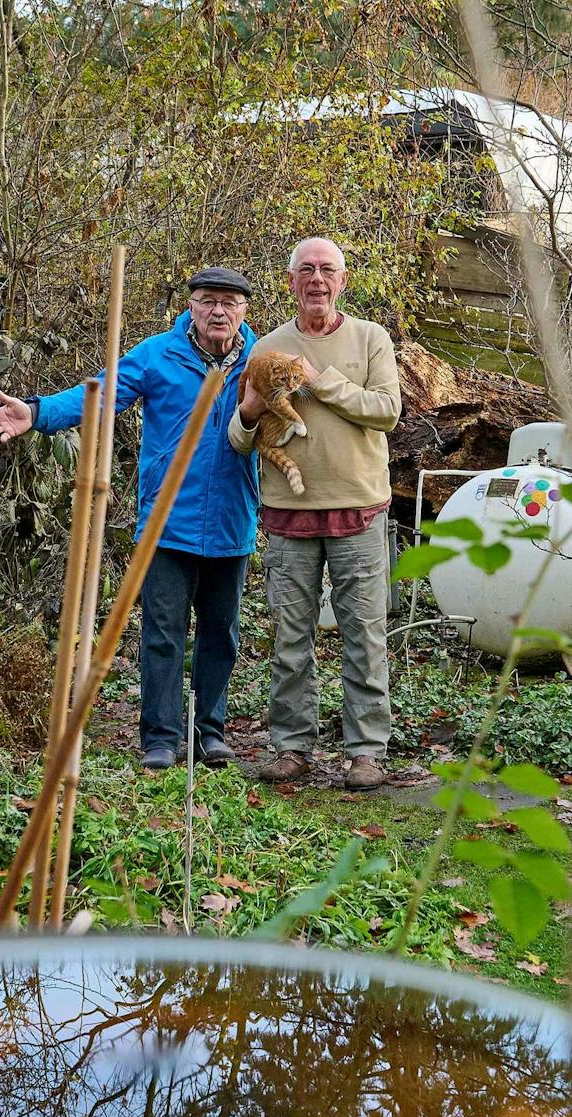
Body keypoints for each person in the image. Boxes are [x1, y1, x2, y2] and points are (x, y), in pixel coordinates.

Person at [0, 267, 258, 771]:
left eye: (229, 302)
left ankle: (210, 732)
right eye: (208, 300)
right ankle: (161, 737)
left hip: (231, 521)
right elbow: (100, 393)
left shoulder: (259, 362)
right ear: (191, 306)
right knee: (162, 631)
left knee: (221, 631)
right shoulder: (158, 355)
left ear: (243, 311)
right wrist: (37, 413)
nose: (219, 311)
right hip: (166, 524)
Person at [230, 238, 401, 791]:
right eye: (306, 270)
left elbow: (386, 412)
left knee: (364, 632)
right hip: (289, 512)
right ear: (290, 283)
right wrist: (252, 412)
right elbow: (237, 437)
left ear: (342, 281)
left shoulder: (371, 338)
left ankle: (366, 752)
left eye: (327, 270)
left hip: (358, 506)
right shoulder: (267, 347)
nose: (317, 280)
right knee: (289, 635)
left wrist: (321, 379)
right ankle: (292, 747)